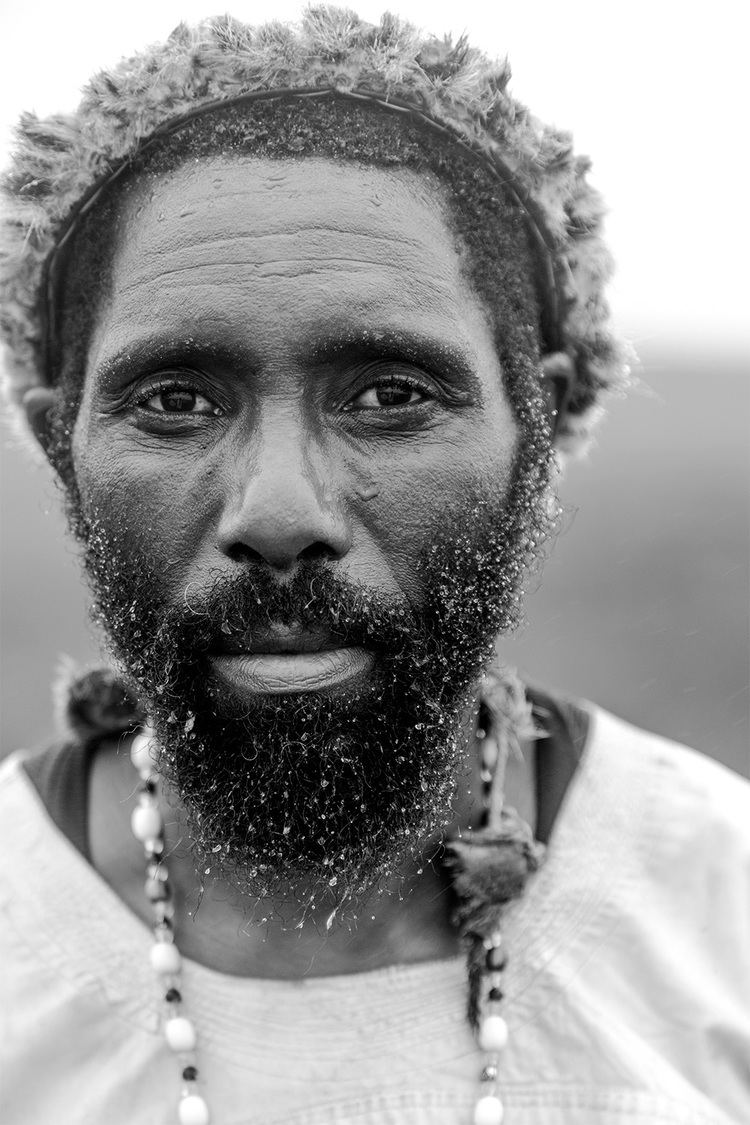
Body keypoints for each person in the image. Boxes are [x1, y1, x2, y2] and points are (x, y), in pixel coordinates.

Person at [0, 9, 748, 1125]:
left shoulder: (719, 914)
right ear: (64, 447)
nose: (280, 514)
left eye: (392, 396)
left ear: (538, 426)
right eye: (176, 402)